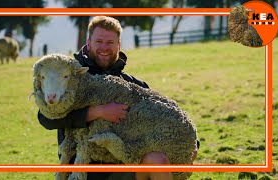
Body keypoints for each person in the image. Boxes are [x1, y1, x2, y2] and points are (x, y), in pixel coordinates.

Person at [38, 16, 198, 180]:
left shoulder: (131, 85)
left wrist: (191, 145)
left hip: (125, 166)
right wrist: (97, 112)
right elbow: (46, 118)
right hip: (84, 171)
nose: (104, 47)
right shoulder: (71, 79)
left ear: (118, 45)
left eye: (110, 43)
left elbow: (160, 116)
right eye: (99, 41)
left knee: (157, 160)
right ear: (88, 43)